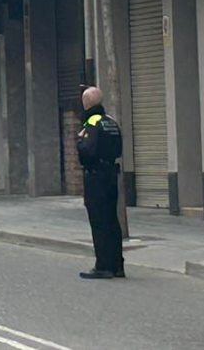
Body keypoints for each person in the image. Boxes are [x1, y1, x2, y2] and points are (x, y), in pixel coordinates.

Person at [77, 85, 125, 279]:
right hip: (111, 175)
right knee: (112, 220)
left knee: (98, 221)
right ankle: (117, 265)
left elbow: (87, 150)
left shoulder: (92, 122)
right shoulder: (111, 121)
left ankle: (103, 265)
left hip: (96, 176)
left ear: (87, 103)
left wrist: (79, 141)